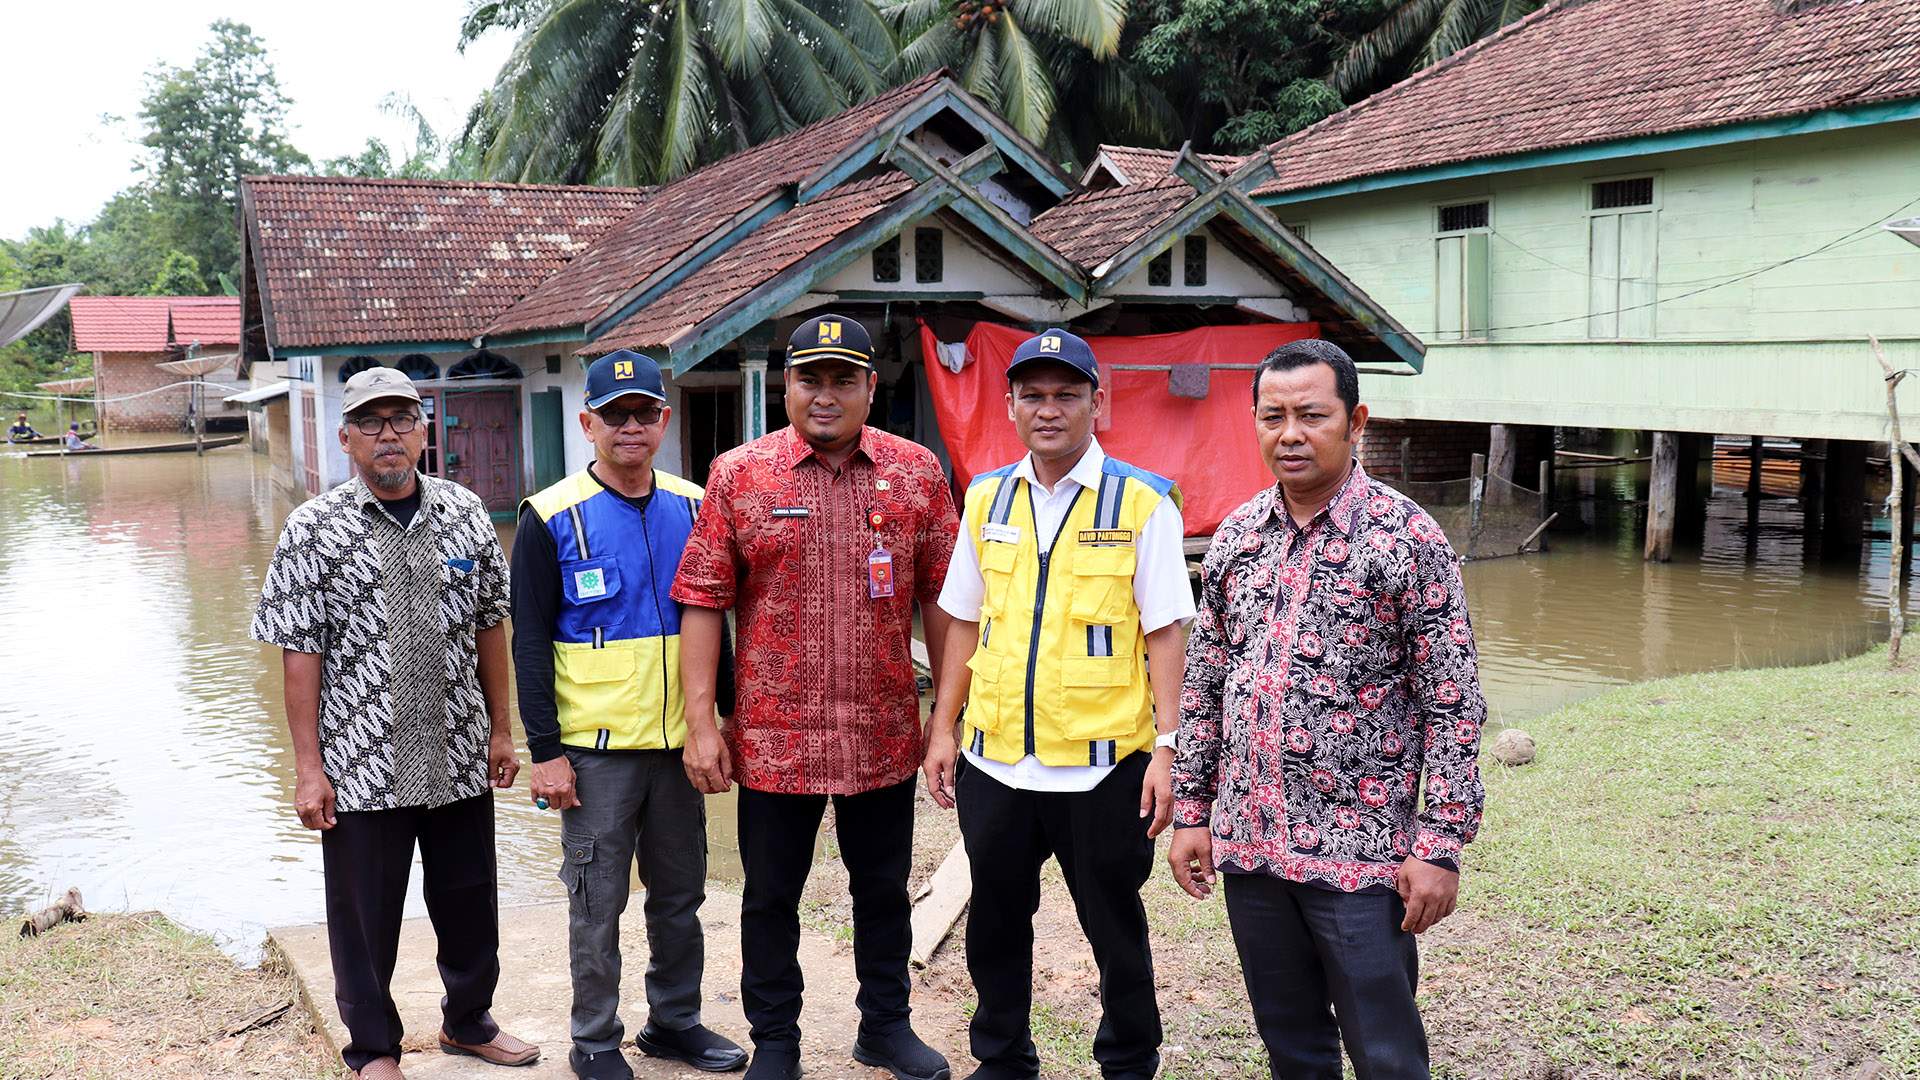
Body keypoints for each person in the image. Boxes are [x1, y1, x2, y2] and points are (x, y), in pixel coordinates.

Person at [1168, 339, 1487, 1080]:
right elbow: (1207, 679)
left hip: (1364, 854)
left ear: (1356, 421)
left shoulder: (1407, 539)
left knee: (1384, 1051)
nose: (1290, 434)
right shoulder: (1237, 538)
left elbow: (1453, 701)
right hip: (1251, 846)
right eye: (1272, 416)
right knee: (1292, 1047)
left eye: (1311, 415)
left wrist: (1438, 844)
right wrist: (1191, 809)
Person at [672, 314, 959, 1080]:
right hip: (771, 738)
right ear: (785, 385)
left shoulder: (917, 472)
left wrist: (947, 720)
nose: (825, 395)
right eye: (810, 378)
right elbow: (703, 599)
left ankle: (885, 1028)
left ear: (872, 386)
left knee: (882, 892)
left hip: (883, 732)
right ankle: (777, 1041)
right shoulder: (739, 474)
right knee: (769, 898)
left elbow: (947, 601)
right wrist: (702, 722)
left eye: (843, 379)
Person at [252, 366, 538, 1080]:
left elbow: (491, 626)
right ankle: (373, 1049)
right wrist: (310, 770)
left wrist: (504, 730)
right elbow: (300, 652)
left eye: (402, 420)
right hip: (361, 764)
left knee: (470, 900)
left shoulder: (468, 513)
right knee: (363, 916)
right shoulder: (312, 529)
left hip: (458, 752)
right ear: (345, 438)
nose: (389, 435)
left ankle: (469, 1021)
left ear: (424, 430)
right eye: (373, 423)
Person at [922, 329, 1193, 1080]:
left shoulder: (1144, 503)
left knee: (1115, 930)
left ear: (1097, 402)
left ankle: (1129, 1063)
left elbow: (1166, 634)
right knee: (998, 927)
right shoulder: (986, 495)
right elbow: (964, 621)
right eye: (1033, 396)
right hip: (997, 761)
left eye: (1067, 394)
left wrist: (1168, 750)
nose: (1049, 410)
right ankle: (1004, 1059)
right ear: (1009, 406)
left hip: (1104, 768)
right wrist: (943, 728)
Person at [512, 350, 748, 1080]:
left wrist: (729, 717)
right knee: (597, 904)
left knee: (680, 896)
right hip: (593, 753)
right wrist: (544, 751)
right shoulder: (548, 518)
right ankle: (594, 1039)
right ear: (587, 423)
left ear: (664, 420)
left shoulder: (695, 505)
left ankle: (674, 1022)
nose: (630, 427)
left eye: (644, 412)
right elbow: (528, 642)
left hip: (682, 744)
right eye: (614, 415)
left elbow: (715, 617)